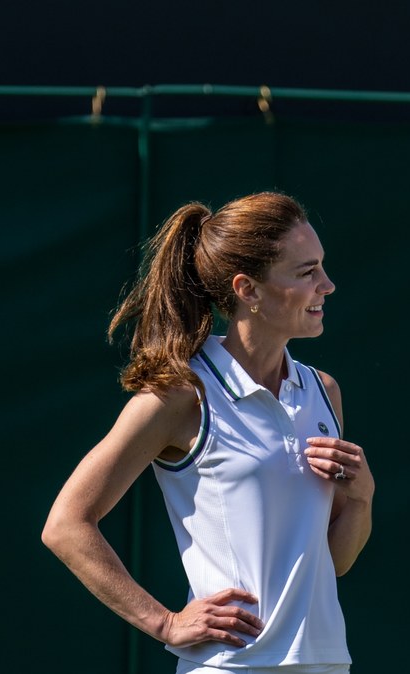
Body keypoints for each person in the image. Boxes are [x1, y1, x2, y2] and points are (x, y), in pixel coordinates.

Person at [42, 192, 373, 674]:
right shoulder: (180, 397)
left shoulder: (323, 391)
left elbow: (335, 561)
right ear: (249, 290)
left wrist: (362, 499)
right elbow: (66, 525)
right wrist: (165, 624)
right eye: (306, 272)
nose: (328, 285)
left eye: (321, 266)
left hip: (327, 663)